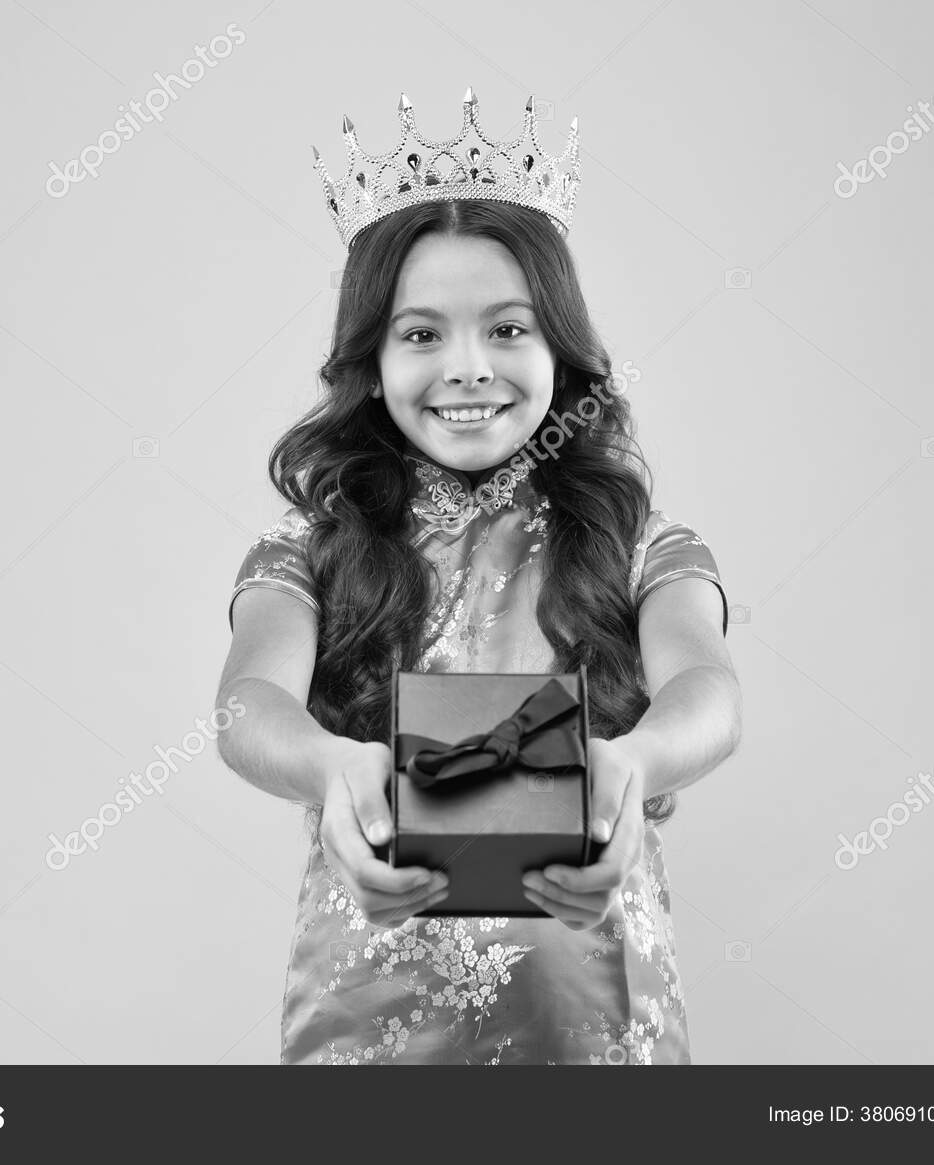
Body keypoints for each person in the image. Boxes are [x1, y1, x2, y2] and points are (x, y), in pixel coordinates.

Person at [216, 90, 742, 1064]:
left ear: (561, 349)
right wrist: (329, 766)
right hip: (371, 1013)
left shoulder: (635, 540)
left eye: (507, 329)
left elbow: (707, 691)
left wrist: (633, 761)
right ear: (370, 360)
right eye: (421, 334)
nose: (466, 367)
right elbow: (247, 703)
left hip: (593, 1010)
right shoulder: (314, 547)